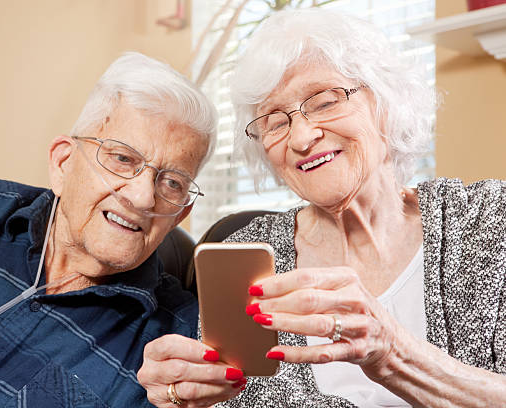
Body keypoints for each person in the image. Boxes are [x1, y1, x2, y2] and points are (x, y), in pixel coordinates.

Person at [137, 8, 506, 407]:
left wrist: (394, 354)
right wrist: (181, 394)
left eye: (326, 102)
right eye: (275, 124)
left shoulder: (488, 219)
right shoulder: (246, 256)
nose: (302, 137)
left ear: (386, 102)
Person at [0, 52, 219, 407]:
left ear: (180, 214)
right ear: (63, 163)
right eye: (123, 159)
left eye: (172, 182)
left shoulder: (177, 342)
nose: (143, 198)